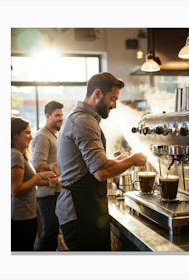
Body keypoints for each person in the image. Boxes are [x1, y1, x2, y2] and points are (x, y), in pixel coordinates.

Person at [55, 72, 147, 251]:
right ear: (97, 94)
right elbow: (101, 172)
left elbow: (89, 166)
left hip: (84, 208)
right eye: (112, 99)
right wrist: (132, 160)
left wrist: (114, 160)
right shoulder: (84, 121)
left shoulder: (83, 118)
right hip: (79, 212)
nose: (114, 105)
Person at [11, 117, 56, 251]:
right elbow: (16, 189)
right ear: (15, 135)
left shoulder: (20, 154)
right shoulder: (15, 155)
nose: (31, 137)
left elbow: (28, 182)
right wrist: (40, 175)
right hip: (20, 217)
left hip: (27, 214)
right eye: (27, 132)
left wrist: (50, 182)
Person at [31, 101, 64, 251]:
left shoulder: (53, 134)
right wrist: (52, 166)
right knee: (50, 232)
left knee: (53, 232)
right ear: (47, 116)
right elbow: (38, 165)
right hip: (46, 194)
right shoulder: (42, 136)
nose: (60, 118)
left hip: (55, 192)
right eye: (57, 115)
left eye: (62, 115)